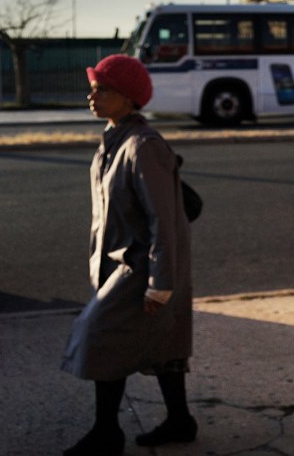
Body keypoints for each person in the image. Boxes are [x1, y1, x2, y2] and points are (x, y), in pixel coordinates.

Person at [62, 54, 196, 456]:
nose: (92, 95)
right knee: (163, 344)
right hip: (119, 265)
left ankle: (107, 433)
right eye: (93, 87)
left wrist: (161, 284)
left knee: (101, 336)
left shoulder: (142, 146)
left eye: (102, 89)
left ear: (128, 97)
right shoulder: (113, 139)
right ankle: (180, 421)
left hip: (140, 269)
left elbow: (164, 221)